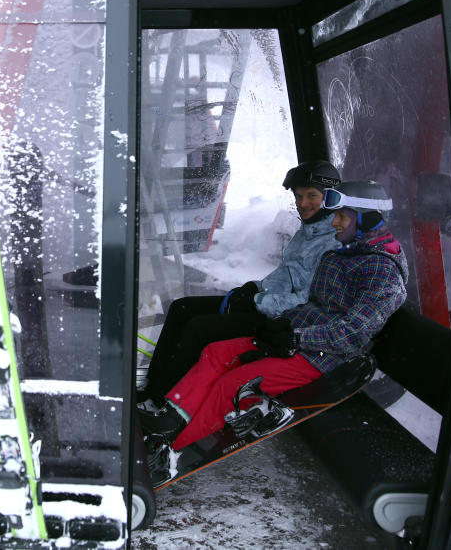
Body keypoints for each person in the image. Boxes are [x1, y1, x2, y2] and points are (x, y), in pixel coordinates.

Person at [141, 179, 408, 452]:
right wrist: (280, 325)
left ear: (366, 220)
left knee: (232, 385)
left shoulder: (381, 272)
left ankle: (177, 448)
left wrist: (295, 336)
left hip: (320, 357)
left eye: (342, 216)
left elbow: (353, 332)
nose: (334, 223)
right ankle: (171, 420)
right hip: (292, 338)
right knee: (215, 352)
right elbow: (313, 302)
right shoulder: (346, 253)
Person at [138, 160, 343, 406]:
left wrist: (257, 301)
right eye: (299, 196)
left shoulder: (333, 242)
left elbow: (306, 298)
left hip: (284, 322)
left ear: (331, 198)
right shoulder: (308, 232)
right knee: (182, 307)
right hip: (268, 306)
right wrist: (253, 288)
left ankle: (163, 400)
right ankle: (154, 382)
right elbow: (285, 277)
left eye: (311, 196)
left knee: (199, 328)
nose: (302, 204)